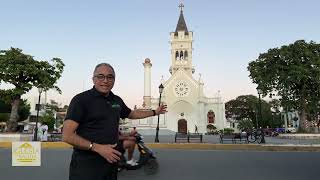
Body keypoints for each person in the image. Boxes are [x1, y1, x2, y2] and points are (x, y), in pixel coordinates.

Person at [62, 63, 167, 180]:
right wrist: (97, 147)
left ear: (114, 80)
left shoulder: (116, 100)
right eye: (101, 76)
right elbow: (67, 136)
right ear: (93, 79)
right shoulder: (81, 100)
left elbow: (131, 113)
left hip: (111, 162)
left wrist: (154, 112)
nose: (105, 80)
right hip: (87, 166)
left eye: (110, 77)